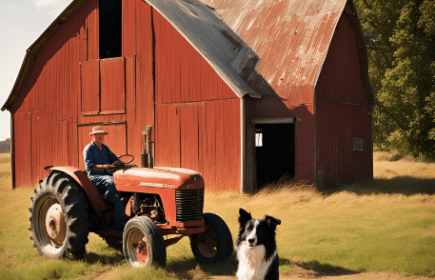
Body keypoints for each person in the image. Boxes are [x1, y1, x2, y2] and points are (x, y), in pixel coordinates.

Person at [83, 126, 129, 228]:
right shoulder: (88, 149)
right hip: (94, 177)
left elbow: (114, 159)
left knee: (122, 180)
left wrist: (122, 164)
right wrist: (105, 166)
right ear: (94, 136)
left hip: (106, 174)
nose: (100, 136)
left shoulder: (105, 148)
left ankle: (123, 209)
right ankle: (104, 203)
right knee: (112, 182)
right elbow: (89, 167)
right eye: (98, 134)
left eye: (102, 134)